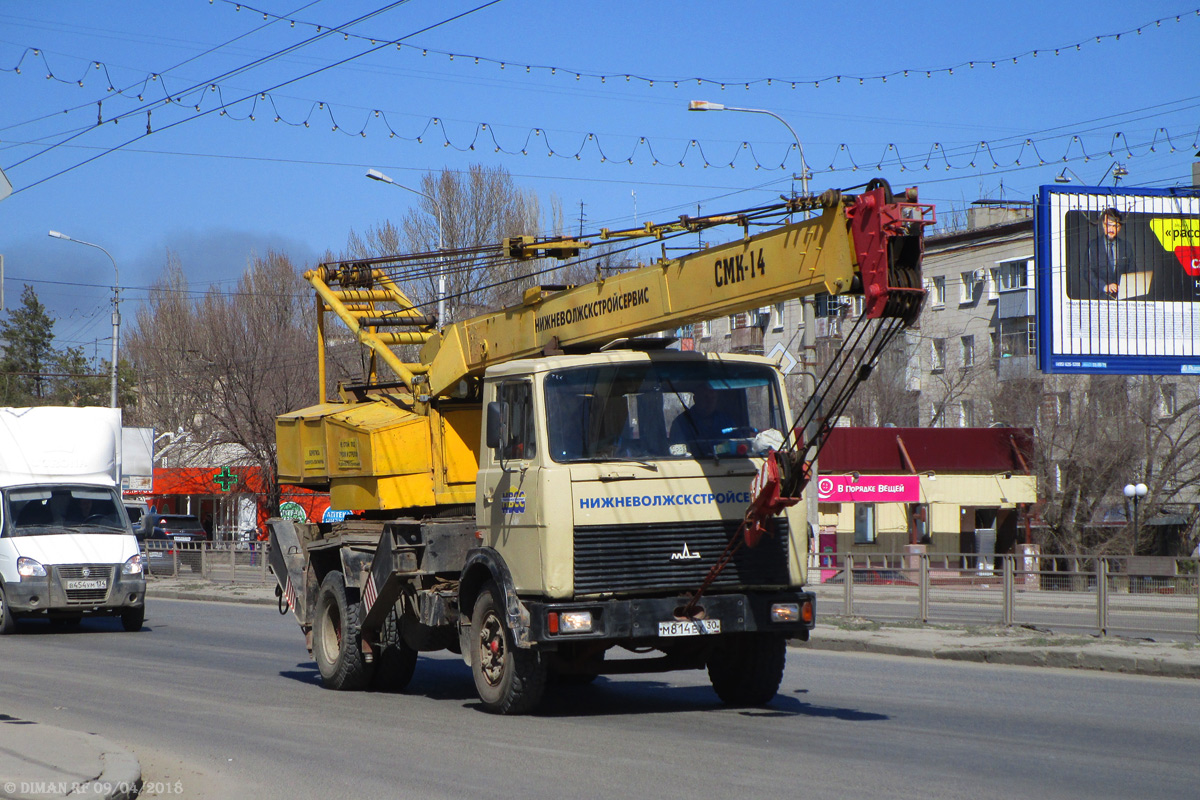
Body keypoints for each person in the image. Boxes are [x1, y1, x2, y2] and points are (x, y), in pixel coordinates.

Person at [669, 383, 737, 455]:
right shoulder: (681, 423)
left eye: (713, 398)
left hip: (727, 462)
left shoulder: (726, 421)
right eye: (706, 397)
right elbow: (676, 454)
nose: (710, 402)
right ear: (695, 399)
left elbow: (738, 443)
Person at [1083, 208, 1135, 299]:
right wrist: (1104, 286)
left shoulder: (1127, 246)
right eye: (1108, 225)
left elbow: (1133, 269)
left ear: (1120, 227)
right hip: (1100, 297)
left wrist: (1123, 286)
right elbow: (1087, 272)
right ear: (1103, 225)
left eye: (1115, 226)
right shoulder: (1093, 245)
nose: (1111, 229)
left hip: (1123, 298)